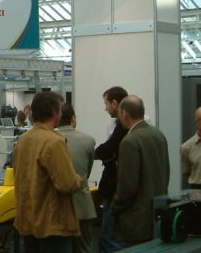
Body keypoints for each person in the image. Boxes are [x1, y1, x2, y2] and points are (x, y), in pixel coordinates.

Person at [13, 91, 82, 253]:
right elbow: (67, 184)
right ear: (54, 111)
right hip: (51, 225)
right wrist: (78, 180)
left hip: (27, 221)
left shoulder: (23, 141)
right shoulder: (54, 142)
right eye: (60, 109)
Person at [111, 95, 170, 248]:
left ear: (125, 114)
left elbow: (127, 187)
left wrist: (114, 207)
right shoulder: (158, 135)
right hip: (157, 213)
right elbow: (166, 172)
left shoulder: (129, 141)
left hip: (135, 220)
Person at [56, 104, 96, 253]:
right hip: (82, 207)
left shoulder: (48, 139)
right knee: (83, 248)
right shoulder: (88, 141)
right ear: (73, 119)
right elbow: (87, 173)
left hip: (57, 209)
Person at [94, 86, 128, 253]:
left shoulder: (122, 127)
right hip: (119, 189)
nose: (105, 108)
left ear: (115, 103)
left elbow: (108, 149)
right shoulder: (121, 126)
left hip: (115, 188)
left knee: (108, 238)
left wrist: (99, 154)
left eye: (106, 104)